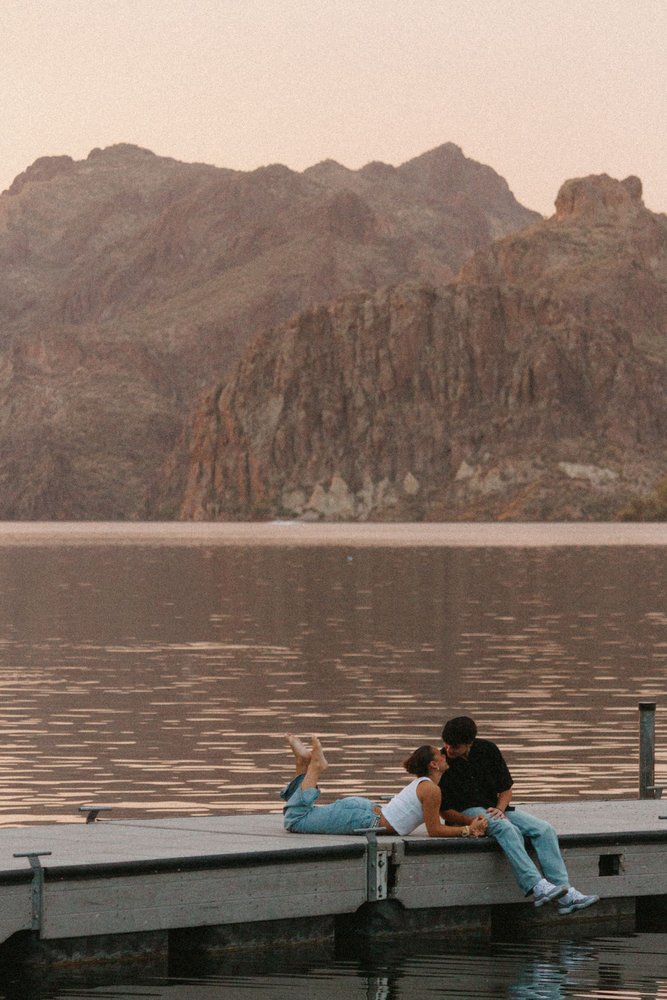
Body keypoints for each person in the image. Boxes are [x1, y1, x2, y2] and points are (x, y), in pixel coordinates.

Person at [438, 716, 599, 914]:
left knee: (544, 829)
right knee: (506, 828)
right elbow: (444, 810)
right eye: (446, 744)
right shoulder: (440, 762)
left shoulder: (488, 750)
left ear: (469, 743)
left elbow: (506, 790)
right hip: (464, 813)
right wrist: (471, 822)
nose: (448, 750)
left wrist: (500, 809)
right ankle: (536, 886)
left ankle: (565, 894)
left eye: (454, 746)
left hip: (494, 808)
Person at [281, 734, 488, 838]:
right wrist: (468, 830)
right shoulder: (431, 789)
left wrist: (469, 822)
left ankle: (303, 764)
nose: (445, 755)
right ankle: (315, 767)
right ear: (433, 764)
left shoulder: (425, 785)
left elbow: (438, 819)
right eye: (440, 754)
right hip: (366, 817)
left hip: (366, 812)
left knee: (300, 815)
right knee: (296, 820)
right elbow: (434, 830)